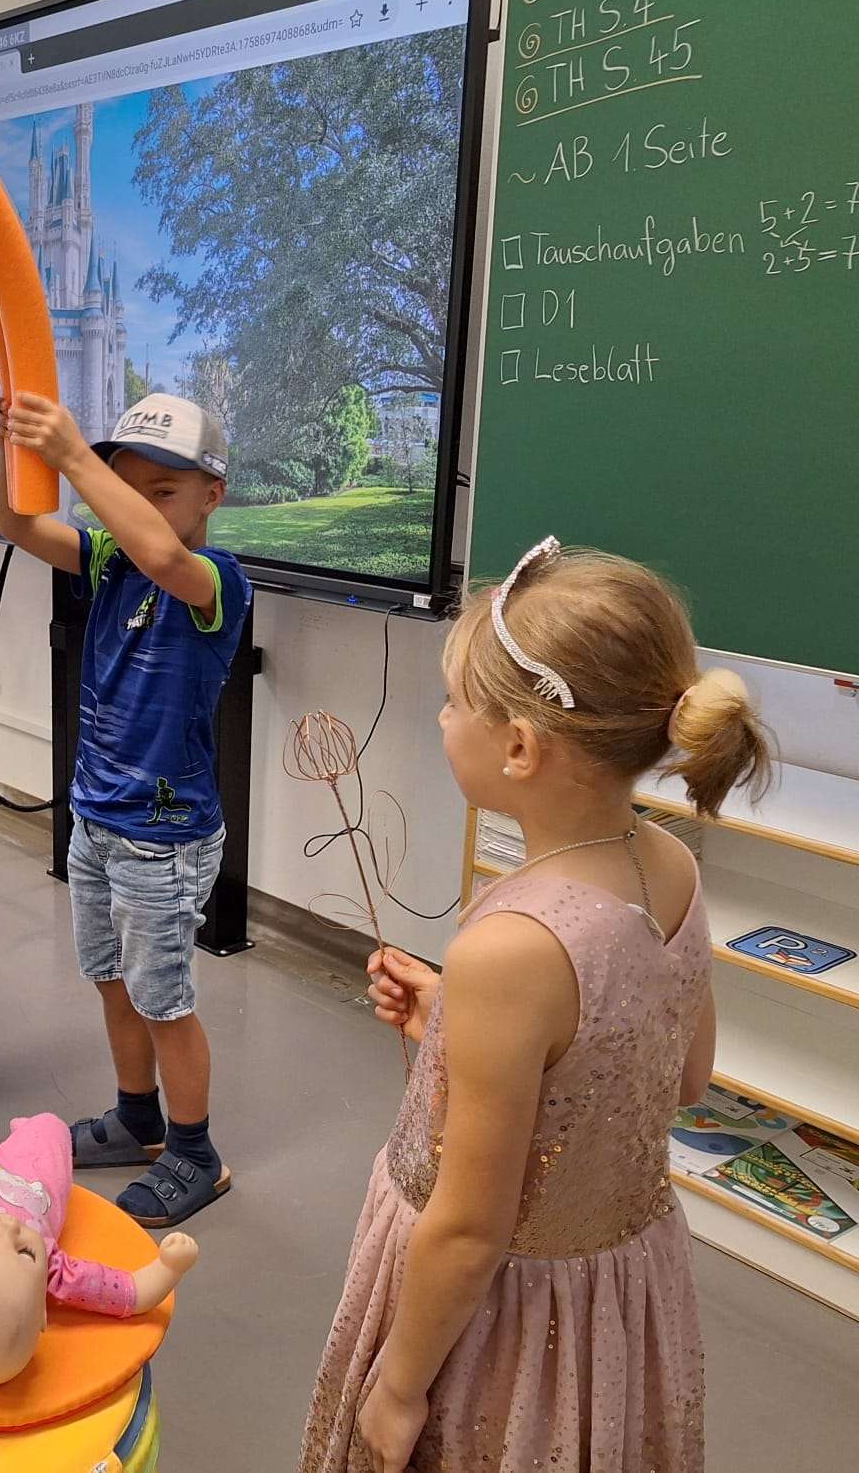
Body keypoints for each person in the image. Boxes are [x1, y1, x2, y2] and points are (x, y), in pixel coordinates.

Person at [300, 539, 771, 1473]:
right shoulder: (671, 863)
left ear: (519, 746)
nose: (442, 718)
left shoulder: (511, 946)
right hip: (617, 1296)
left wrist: (399, 1387)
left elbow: (470, 1231)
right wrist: (456, 1025)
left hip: (505, 1328)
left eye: (452, 702)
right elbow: (680, 1076)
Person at [0, 391, 251, 1228]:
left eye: (163, 491)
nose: (140, 506)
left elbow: (165, 558)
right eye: (127, 488)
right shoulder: (107, 559)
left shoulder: (218, 581)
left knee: (162, 1001)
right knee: (113, 981)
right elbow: (18, 525)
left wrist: (75, 459)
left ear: (213, 495)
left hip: (162, 841)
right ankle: (139, 1120)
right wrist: (11, 454)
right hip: (97, 818)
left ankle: (195, 1152)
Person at [0, 1099, 200, 1387]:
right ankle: (26, 1131)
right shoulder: (52, 1268)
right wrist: (170, 1267)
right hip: (32, 1177)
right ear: (42, 1313)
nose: (10, 1227)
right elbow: (130, 1293)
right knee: (50, 1126)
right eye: (25, 1253)